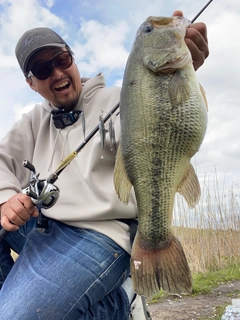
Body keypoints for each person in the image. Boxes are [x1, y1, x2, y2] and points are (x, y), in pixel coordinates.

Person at [0, 10, 209, 320]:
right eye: (43, 69)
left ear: (72, 58)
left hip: (101, 234)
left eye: (61, 59)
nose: (56, 73)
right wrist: (6, 197)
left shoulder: (121, 98)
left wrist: (186, 71)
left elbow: (169, 126)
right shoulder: (32, 122)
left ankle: (121, 300)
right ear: (31, 83)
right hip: (48, 226)